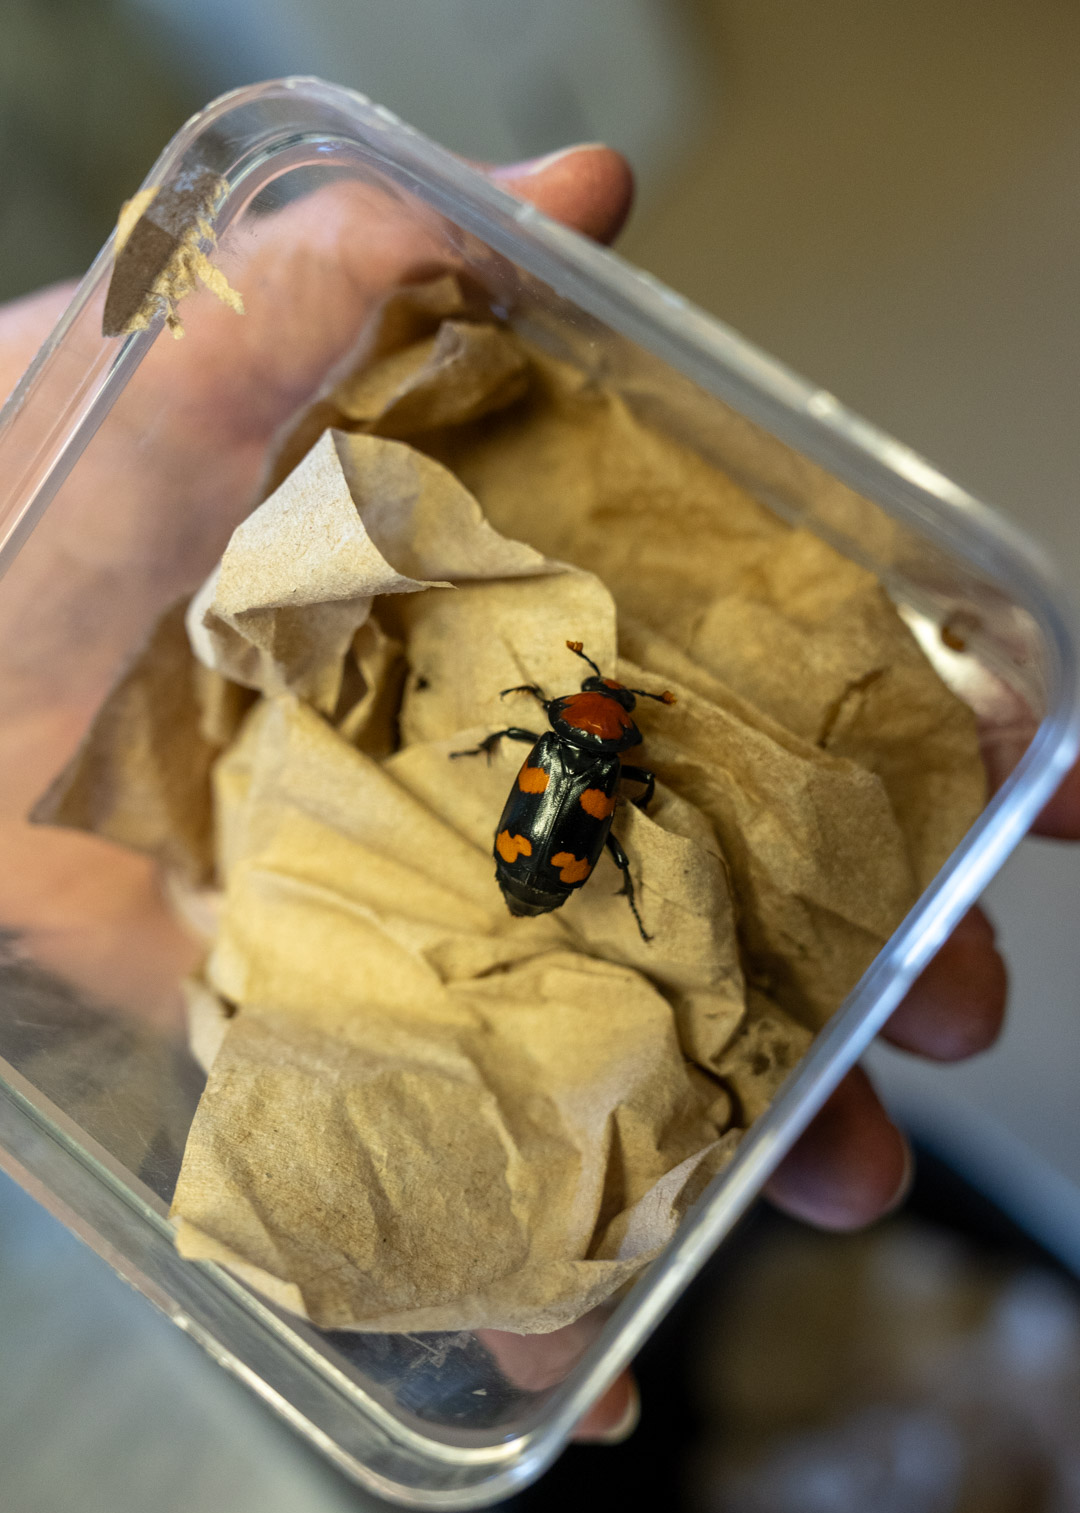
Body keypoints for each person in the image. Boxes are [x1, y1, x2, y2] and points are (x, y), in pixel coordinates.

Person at [1, 143, 1076, 1441]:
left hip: (546, 829)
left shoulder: (576, 745)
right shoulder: (583, 747)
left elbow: (572, 759)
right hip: (547, 835)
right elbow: (575, 764)